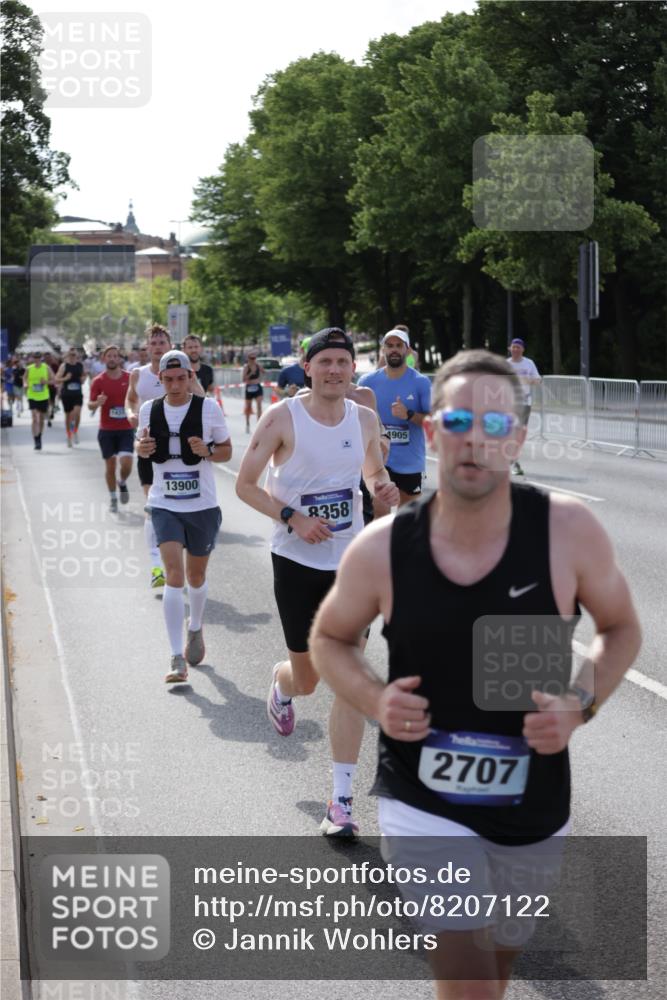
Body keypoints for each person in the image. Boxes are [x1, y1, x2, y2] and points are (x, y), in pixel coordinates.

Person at [311, 349, 641, 999]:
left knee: (500, 961)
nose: (474, 439)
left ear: (515, 439)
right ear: (431, 432)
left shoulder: (566, 530)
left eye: (494, 426)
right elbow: (329, 637)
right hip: (421, 795)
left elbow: (621, 628)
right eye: (458, 420)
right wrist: (376, 702)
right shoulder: (383, 547)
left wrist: (579, 704)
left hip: (533, 798)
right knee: (466, 978)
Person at [236, 327, 399, 836]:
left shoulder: (365, 418)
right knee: (308, 680)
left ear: (354, 369)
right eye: (324, 362)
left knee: (349, 681)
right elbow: (245, 485)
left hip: (350, 564)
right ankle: (283, 684)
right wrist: (293, 518)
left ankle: (342, 804)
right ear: (307, 368)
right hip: (297, 563)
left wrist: (382, 489)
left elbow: (373, 473)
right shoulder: (282, 417)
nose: (333, 370)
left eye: (342, 363)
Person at [135, 350, 232, 682]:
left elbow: (227, 450)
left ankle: (195, 627)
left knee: (196, 577)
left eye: (182, 378)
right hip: (164, 504)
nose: (176, 385)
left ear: (192, 377)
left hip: (202, 505)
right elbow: (142, 446)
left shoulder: (209, 409)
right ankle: (177, 657)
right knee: (173, 576)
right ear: (160, 380)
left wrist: (207, 451)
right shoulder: (149, 409)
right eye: (169, 379)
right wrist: (141, 450)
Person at [126, 325, 204, 589]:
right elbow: (129, 400)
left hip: (183, 453)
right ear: (147, 346)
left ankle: (173, 559)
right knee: (152, 507)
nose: (158, 346)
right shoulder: (138, 374)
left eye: (162, 341)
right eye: (154, 342)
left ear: (171, 344)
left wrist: (191, 381)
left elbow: (203, 400)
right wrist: (130, 414)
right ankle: (157, 567)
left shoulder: (182, 371)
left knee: (182, 510)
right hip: (151, 447)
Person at [359, 328, 431, 514]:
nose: (394, 350)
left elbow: (432, 422)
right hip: (377, 461)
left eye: (399, 346)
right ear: (383, 350)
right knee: (379, 518)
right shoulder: (367, 382)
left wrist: (408, 415)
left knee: (407, 520)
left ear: (407, 350)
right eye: (389, 346)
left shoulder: (420, 382)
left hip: (409, 462)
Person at [88, 346, 134, 511]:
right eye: (109, 356)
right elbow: (90, 406)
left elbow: (137, 398)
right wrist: (97, 402)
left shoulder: (129, 378)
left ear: (120, 359)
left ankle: (122, 482)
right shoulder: (98, 381)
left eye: (115, 356)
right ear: (104, 359)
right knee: (110, 465)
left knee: (127, 463)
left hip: (126, 428)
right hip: (107, 430)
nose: (113, 358)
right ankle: (113, 497)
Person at [506, 338, 541, 476]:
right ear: (510, 348)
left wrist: (528, 380)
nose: (515, 349)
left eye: (518, 347)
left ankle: (513, 460)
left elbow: (538, 380)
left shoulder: (529, 363)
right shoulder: (506, 364)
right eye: (513, 347)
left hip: (525, 403)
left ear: (522, 349)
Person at [55, 347, 85, 447]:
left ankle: (75, 431)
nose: (72, 357)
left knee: (76, 413)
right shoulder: (64, 366)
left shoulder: (80, 365)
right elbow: (56, 379)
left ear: (77, 356)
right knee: (68, 417)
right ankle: (69, 436)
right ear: (68, 356)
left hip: (77, 394)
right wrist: (65, 378)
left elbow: (84, 375)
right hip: (67, 394)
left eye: (74, 355)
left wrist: (83, 379)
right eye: (71, 355)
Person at [25, 351, 55, 449]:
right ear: (33, 359)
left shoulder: (46, 368)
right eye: (35, 357)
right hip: (32, 395)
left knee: (41, 418)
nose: (37, 359)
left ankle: (39, 436)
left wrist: (46, 381)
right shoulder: (29, 369)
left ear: (41, 358)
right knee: (34, 417)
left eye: (38, 357)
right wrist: (25, 384)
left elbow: (53, 380)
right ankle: (36, 440)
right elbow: (24, 379)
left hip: (43, 396)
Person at [241, 348, 264, 433]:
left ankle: (259, 424)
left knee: (259, 405)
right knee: (248, 407)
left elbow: (264, 372)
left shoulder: (257, 365)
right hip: (249, 387)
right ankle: (247, 424)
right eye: (251, 358)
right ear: (248, 359)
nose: (253, 360)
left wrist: (260, 369)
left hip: (257, 386)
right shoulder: (246, 367)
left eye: (254, 358)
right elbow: (243, 379)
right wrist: (251, 373)